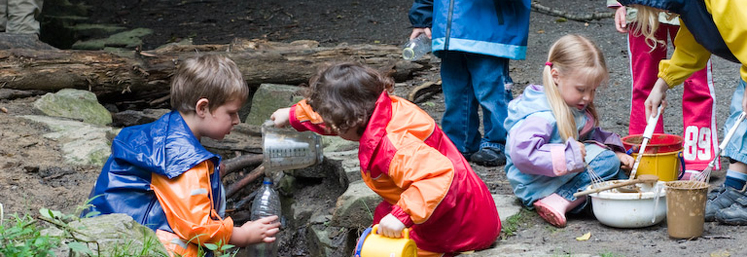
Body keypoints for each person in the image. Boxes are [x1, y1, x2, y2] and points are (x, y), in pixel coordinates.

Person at [270, 62, 500, 256]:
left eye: (336, 126)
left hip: (459, 223)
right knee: (382, 223)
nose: (332, 129)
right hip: (448, 204)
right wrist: (293, 115)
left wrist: (402, 216)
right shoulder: (377, 107)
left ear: (353, 121)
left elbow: (437, 176)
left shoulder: (394, 145)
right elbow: (332, 116)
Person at [83, 54, 280, 256]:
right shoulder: (183, 160)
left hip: (108, 222)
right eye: (231, 113)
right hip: (127, 242)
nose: (237, 120)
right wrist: (242, 235)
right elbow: (196, 226)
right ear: (202, 107)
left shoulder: (167, 131)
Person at [617, 0, 747, 225]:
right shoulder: (693, 4)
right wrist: (662, 83)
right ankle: (735, 188)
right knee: (740, 112)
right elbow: (694, 43)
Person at [504, 35, 635, 228]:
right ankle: (558, 201)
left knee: (621, 177)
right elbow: (522, 154)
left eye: (593, 90)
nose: (588, 97)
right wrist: (566, 156)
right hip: (537, 185)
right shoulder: (542, 115)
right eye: (581, 89)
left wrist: (617, 151)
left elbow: (590, 138)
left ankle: (579, 203)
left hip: (557, 179)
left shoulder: (573, 105)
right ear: (556, 76)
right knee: (607, 162)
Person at [407, 0, 530, 167]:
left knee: (491, 89)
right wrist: (422, 18)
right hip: (449, 32)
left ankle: (498, 142)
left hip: (488, 30)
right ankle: (459, 143)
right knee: (454, 92)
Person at [607, 0, 719, 180]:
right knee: (644, 83)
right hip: (640, 7)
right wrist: (621, 3)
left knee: (696, 81)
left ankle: (697, 156)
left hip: (692, 7)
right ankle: (646, 155)